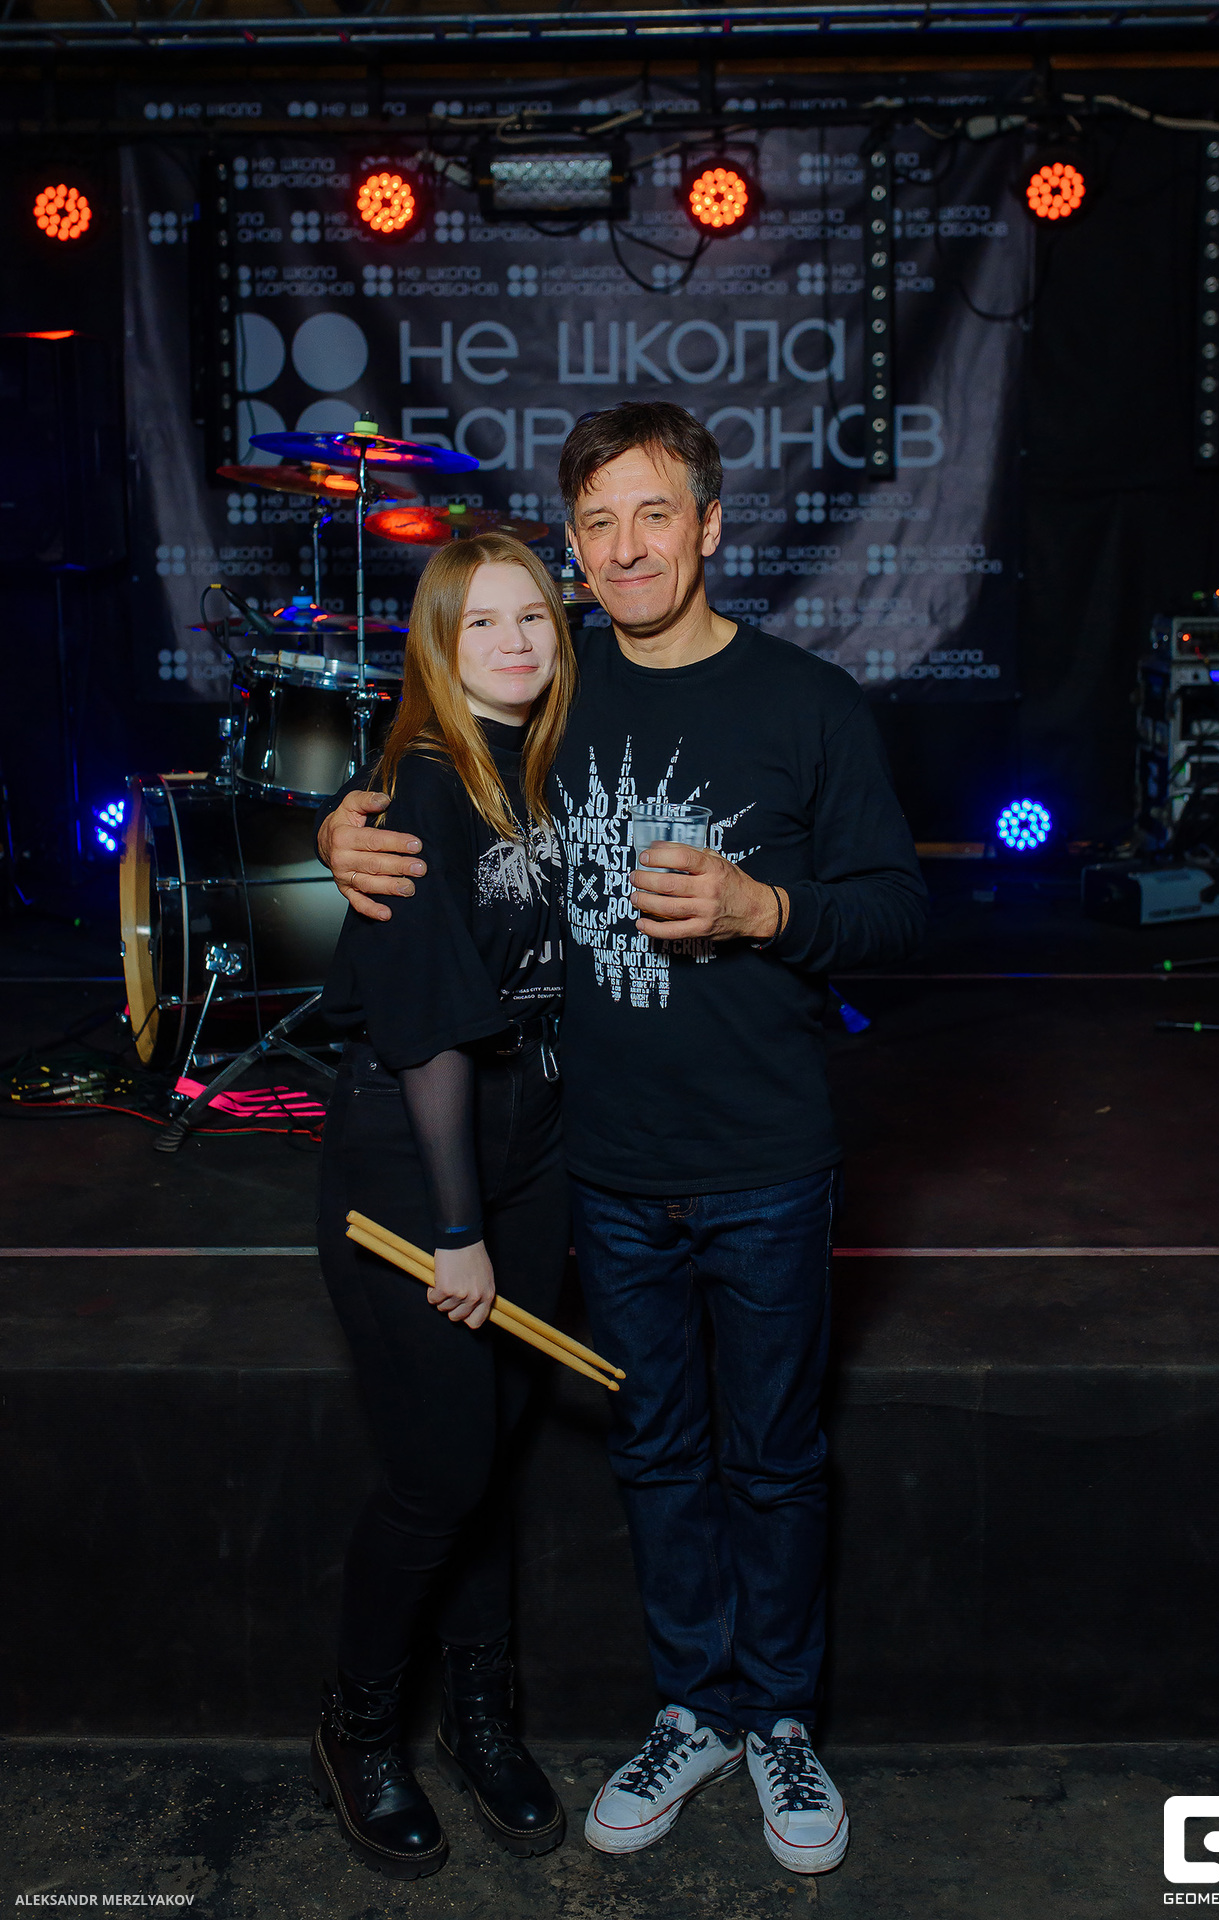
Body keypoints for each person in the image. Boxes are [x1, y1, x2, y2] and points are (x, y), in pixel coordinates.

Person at [317, 402, 929, 1877]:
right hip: (597, 1165)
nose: (625, 547)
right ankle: (693, 1705)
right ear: (573, 549)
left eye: (654, 514)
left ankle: (779, 1718)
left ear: (709, 527)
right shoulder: (552, 687)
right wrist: (342, 828)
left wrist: (764, 909)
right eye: (595, 523)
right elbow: (436, 760)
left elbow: (899, 915)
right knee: (653, 1451)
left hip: (766, 1158)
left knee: (773, 1459)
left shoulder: (809, 703)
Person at [311, 532, 576, 1880]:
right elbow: (422, 1035)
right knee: (438, 1479)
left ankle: (479, 1718)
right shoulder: (424, 783)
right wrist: (458, 1231)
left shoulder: (541, 762)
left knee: (491, 1461)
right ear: (438, 645)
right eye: (482, 624)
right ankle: (357, 1729)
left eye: (534, 617)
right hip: (417, 1169)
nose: (515, 643)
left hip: (528, 1154)